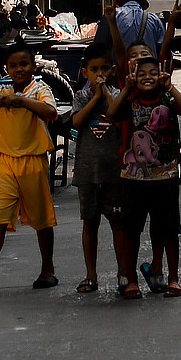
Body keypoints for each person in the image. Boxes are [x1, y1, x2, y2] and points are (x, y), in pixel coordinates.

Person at [0, 40, 60, 296]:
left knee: (41, 220)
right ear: (6, 68)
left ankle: (47, 269)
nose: (18, 69)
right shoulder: (0, 91)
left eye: (24, 64)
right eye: (13, 65)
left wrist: (21, 101)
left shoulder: (39, 89)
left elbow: (50, 112)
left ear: (33, 66)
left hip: (33, 161)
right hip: (5, 162)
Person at [107, 45, 181, 300]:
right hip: (134, 178)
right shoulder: (130, 101)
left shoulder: (167, 99)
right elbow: (112, 114)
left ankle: (173, 278)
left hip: (166, 176)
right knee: (132, 229)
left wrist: (170, 87)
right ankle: (131, 279)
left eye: (153, 73)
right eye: (141, 73)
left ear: (162, 75)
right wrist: (126, 88)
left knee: (167, 228)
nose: (147, 77)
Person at [70, 42, 124, 294]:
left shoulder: (117, 94)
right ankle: (91, 274)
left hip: (114, 173)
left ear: (112, 71)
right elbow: (77, 121)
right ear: (85, 73)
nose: (99, 75)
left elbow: (117, 114)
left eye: (104, 69)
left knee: (118, 224)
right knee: (89, 223)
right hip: (87, 172)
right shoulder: (81, 96)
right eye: (94, 70)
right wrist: (95, 97)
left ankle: (124, 273)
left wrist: (107, 95)